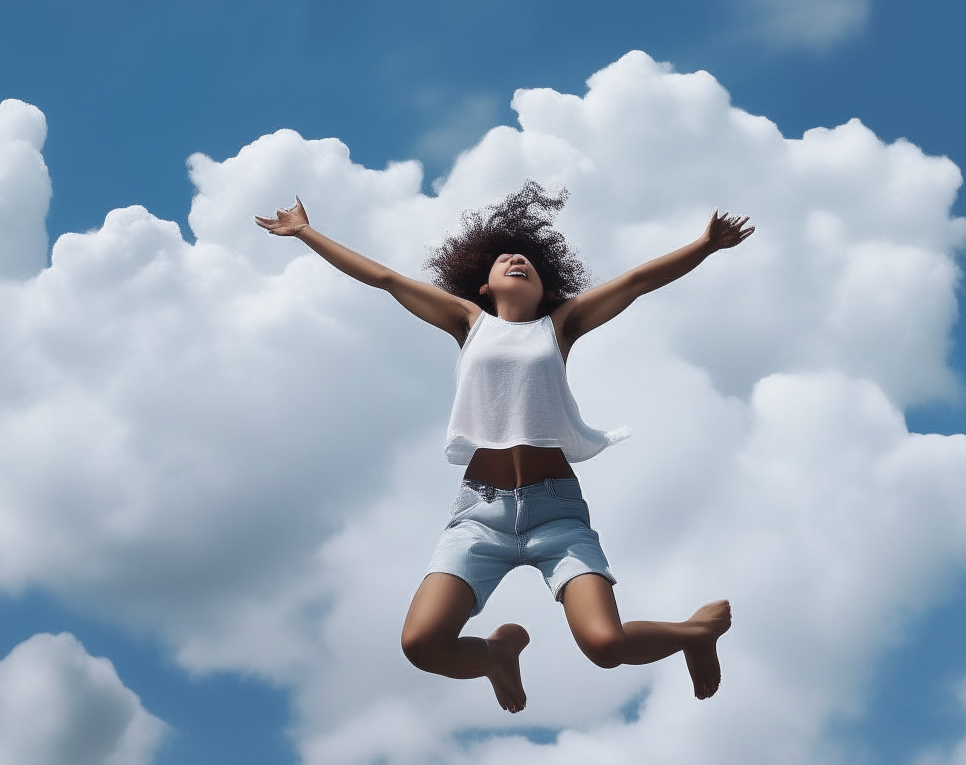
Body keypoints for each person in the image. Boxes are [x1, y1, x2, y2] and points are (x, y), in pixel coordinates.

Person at [255, 181, 753, 713]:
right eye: (504, 260)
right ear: (484, 288)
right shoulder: (468, 324)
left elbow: (635, 281)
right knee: (421, 645)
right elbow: (383, 278)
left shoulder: (560, 326)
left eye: (527, 261)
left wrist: (704, 245)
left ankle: (693, 635)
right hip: (479, 515)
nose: (517, 259)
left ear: (546, 286)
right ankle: (496, 655)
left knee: (606, 646)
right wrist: (305, 232)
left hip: (555, 515)